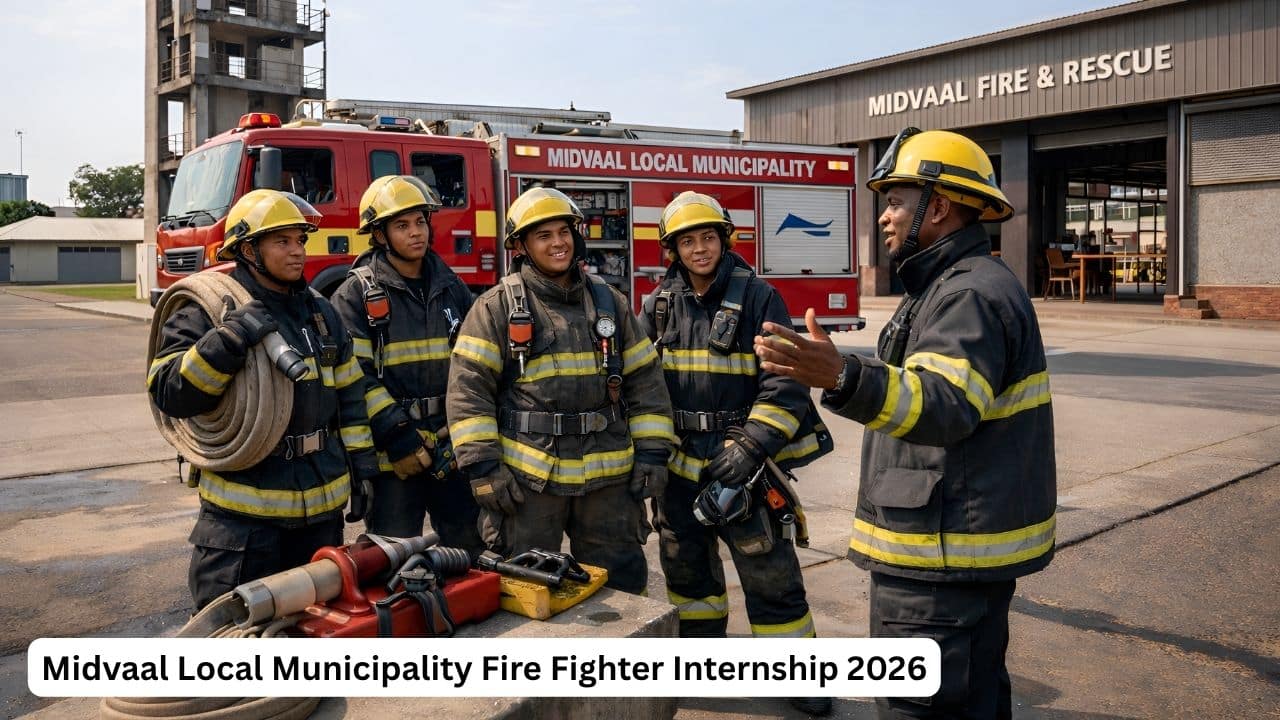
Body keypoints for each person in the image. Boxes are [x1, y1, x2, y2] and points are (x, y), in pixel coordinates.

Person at [753, 128, 1057, 719]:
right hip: (953, 553)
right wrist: (850, 368)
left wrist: (843, 377)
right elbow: (917, 374)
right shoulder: (949, 285)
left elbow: (944, 402)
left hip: (939, 563)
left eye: (895, 201)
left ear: (938, 206)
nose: (884, 218)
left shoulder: (967, 293)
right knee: (976, 697)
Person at [639, 191, 835, 717]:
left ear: (724, 240)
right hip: (681, 467)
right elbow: (643, 388)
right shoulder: (657, 305)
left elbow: (787, 383)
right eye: (687, 241)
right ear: (672, 249)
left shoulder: (759, 297)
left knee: (770, 574)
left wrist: (751, 445)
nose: (699, 249)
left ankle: (803, 677)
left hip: (743, 467)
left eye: (708, 237)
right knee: (688, 577)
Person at [148, 189, 380, 610]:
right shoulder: (208, 310)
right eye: (282, 241)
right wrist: (228, 341)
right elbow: (168, 392)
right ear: (249, 250)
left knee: (314, 636)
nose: (298, 253)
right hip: (244, 525)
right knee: (236, 642)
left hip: (319, 517)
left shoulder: (321, 314)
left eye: (300, 241)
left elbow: (350, 394)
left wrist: (363, 465)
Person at [445, 187, 675, 594]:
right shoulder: (496, 307)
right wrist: (483, 469)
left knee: (620, 588)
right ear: (522, 246)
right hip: (529, 483)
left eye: (563, 232)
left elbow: (646, 382)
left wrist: (654, 455)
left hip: (608, 482)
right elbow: (468, 394)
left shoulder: (610, 303)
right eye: (543, 235)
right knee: (523, 589)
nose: (557, 243)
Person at [331, 175, 482, 555]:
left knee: (469, 552)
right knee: (394, 557)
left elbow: (475, 364)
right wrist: (398, 436)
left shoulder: (451, 287)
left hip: (451, 448)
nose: (416, 233)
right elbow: (354, 377)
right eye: (402, 225)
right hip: (393, 457)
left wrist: (462, 434)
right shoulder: (355, 295)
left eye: (420, 222)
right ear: (379, 235)